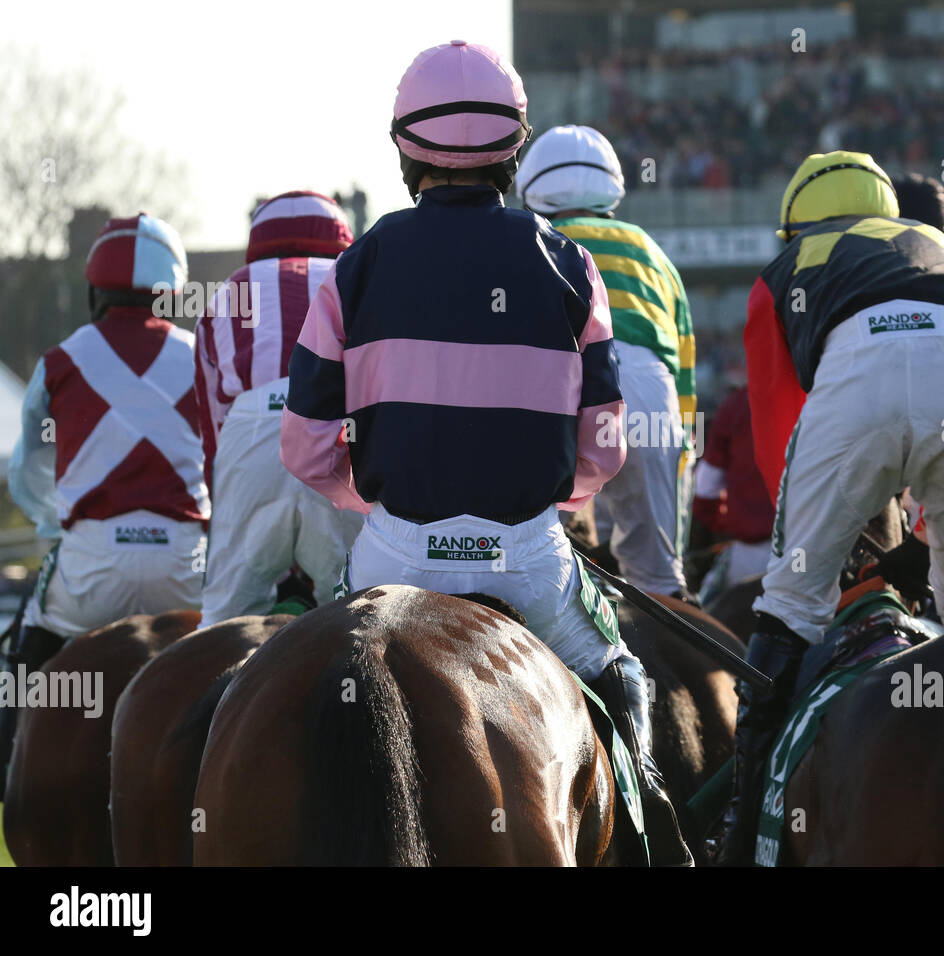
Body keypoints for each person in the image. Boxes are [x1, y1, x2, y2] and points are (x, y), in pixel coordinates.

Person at [280, 41, 691, 865]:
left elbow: (306, 446)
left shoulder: (356, 266)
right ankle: (653, 822)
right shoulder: (571, 262)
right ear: (513, 147)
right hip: (527, 559)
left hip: (394, 551)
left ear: (405, 149)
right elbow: (604, 446)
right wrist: (551, 497)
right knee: (622, 675)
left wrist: (381, 504)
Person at [719, 150, 944, 863]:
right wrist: (925, 537)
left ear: (795, 227)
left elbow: (778, 437)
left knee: (790, 604)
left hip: (863, 388)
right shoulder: (936, 244)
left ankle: (738, 824)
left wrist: (825, 545)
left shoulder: (789, 270)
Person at [4, 213, 208, 777]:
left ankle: (8, 761)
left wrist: (59, 524)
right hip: (183, 568)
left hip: (91, 572)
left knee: (26, 640)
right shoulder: (202, 357)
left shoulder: (60, 359)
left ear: (95, 289)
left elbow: (27, 471)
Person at [516, 125, 696, 600]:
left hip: (559, 389)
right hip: (652, 394)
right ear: (612, 188)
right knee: (660, 588)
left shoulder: (529, 239)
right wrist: (676, 447)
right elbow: (684, 370)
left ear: (531, 189)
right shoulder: (651, 250)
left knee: (527, 567)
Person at [194, 191, 362, 627]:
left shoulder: (228, 290)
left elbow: (213, 437)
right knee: (363, 618)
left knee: (221, 629)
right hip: (335, 436)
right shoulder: (358, 276)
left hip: (249, 438)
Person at [693, 383, 776, 602]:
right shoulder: (826, 395)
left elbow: (705, 492)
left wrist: (727, 523)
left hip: (751, 555)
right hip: (818, 558)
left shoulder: (738, 404)